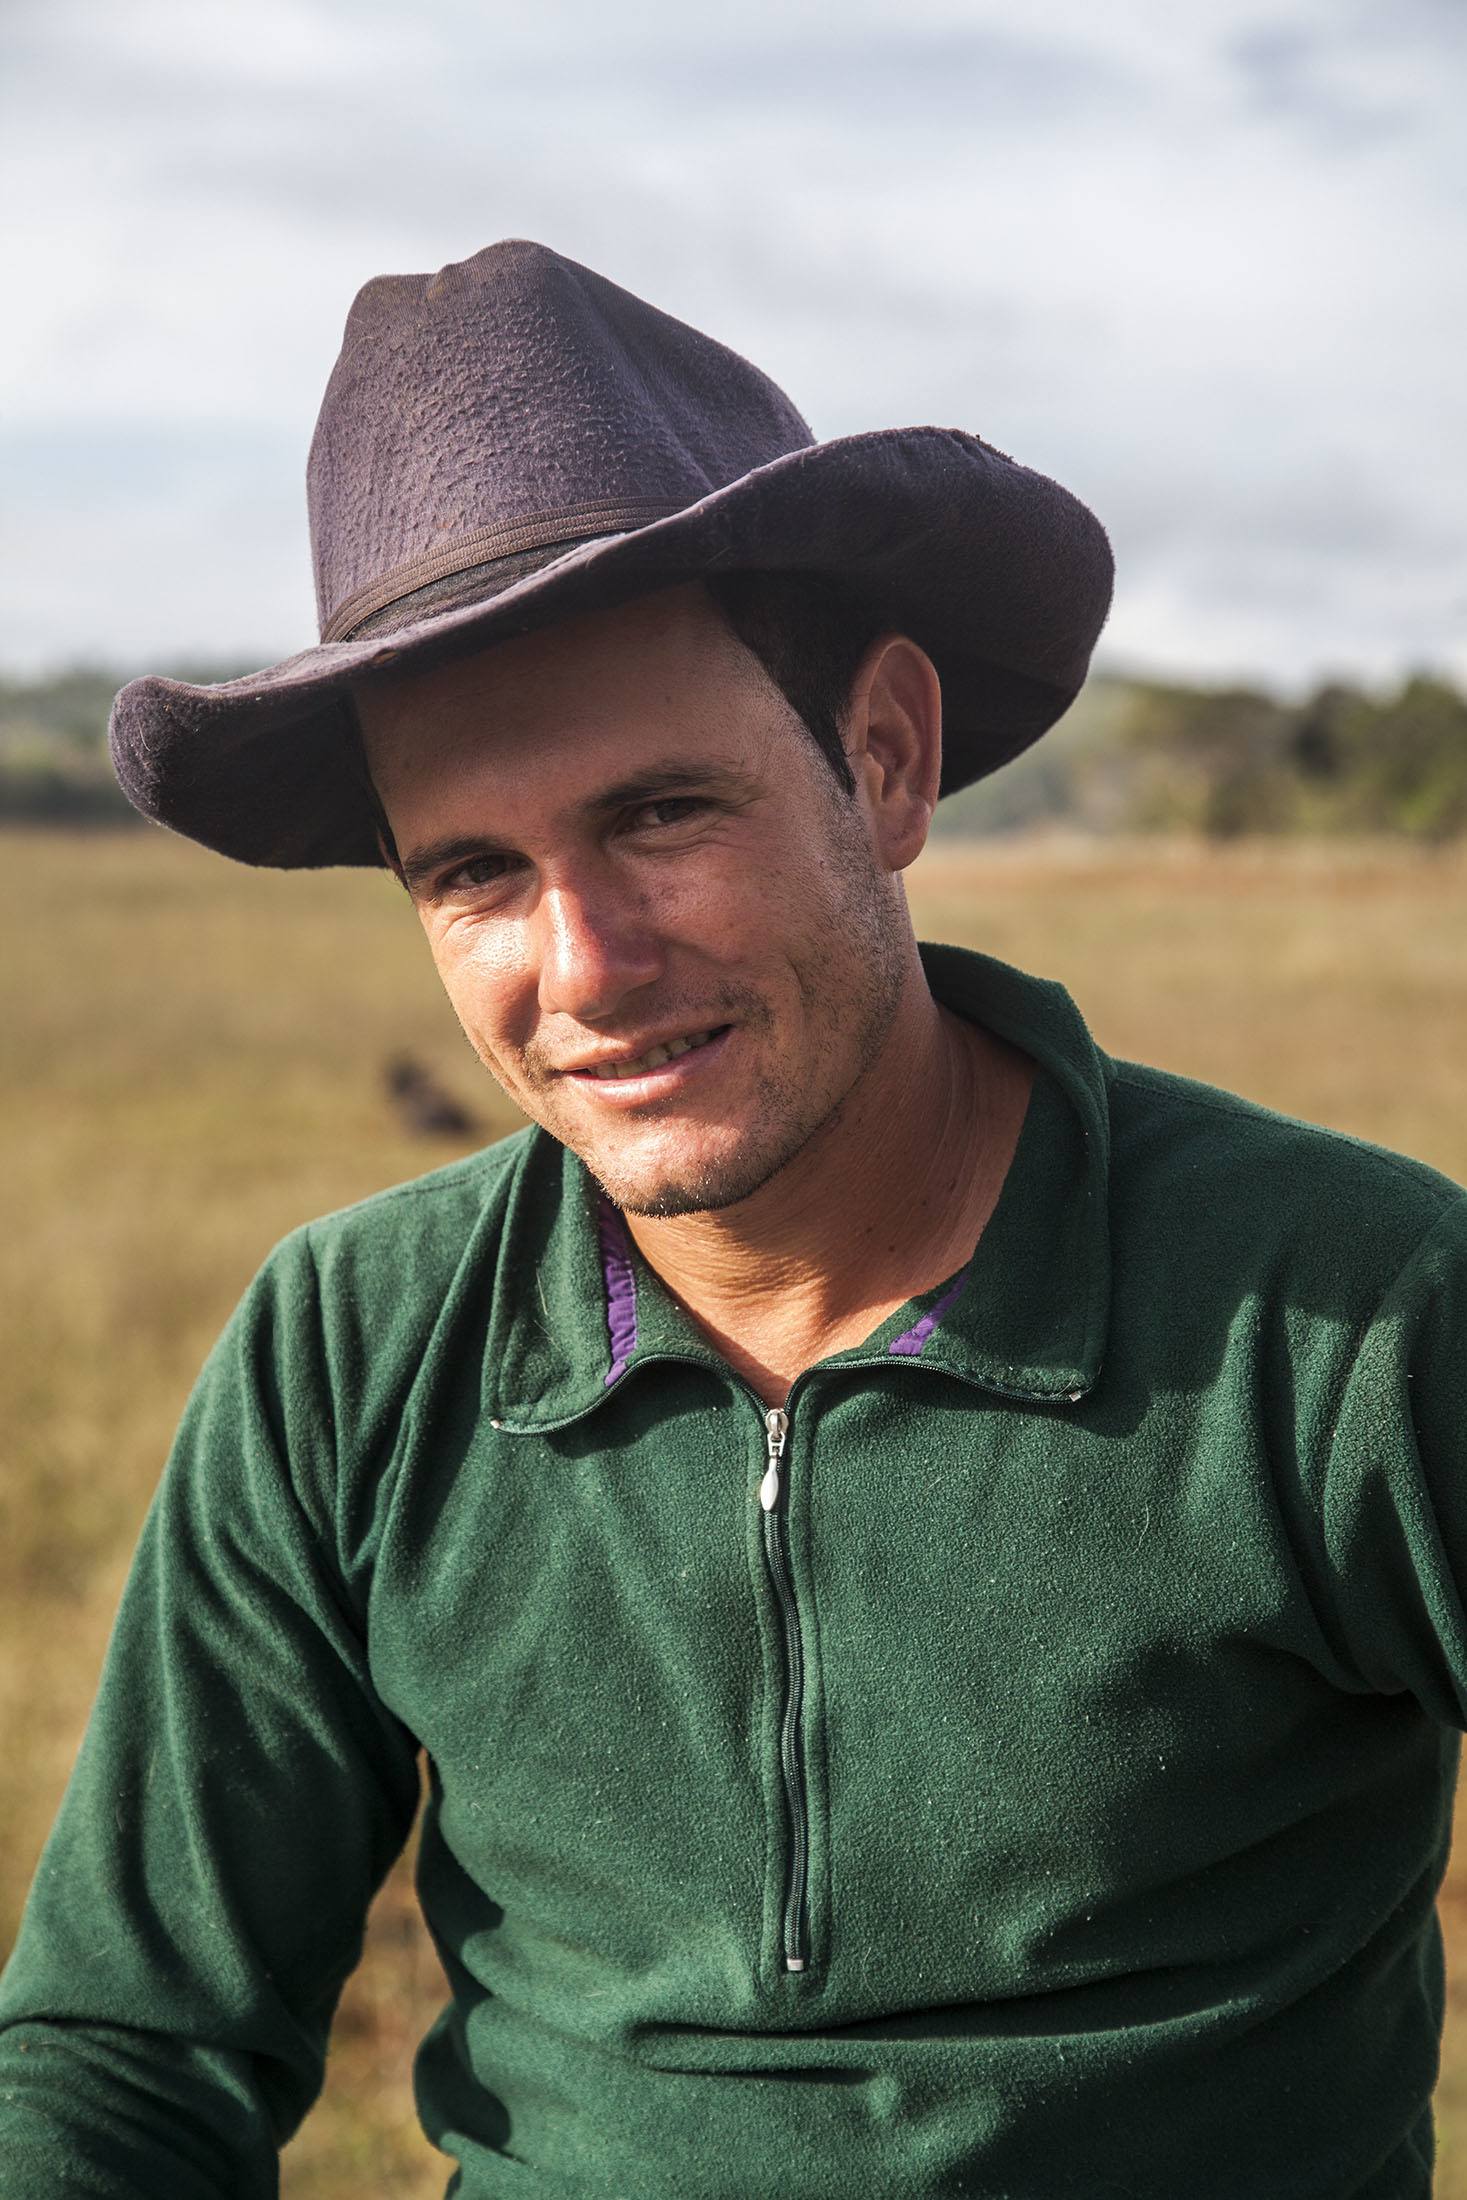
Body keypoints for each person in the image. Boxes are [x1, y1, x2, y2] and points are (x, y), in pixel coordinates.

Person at [1, 240, 1464, 2200]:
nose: (582, 962)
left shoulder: (1352, 1317)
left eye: (658, 814)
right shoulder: (347, 1345)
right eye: (470, 874)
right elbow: (129, 2049)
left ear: (880, 759)